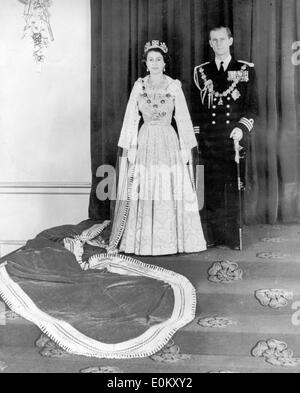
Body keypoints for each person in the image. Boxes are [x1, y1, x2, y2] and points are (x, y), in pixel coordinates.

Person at [109, 40, 206, 255]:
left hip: (168, 140)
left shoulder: (173, 86)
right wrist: (131, 146)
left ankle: (173, 242)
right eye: (150, 60)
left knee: (169, 186)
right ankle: (142, 242)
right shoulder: (139, 86)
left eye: (158, 59)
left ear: (164, 63)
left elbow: (182, 117)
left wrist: (185, 147)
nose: (154, 63)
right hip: (144, 140)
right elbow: (131, 118)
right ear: (146, 63)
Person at [192, 26, 258, 250]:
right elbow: (197, 110)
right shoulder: (201, 72)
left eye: (222, 39)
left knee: (232, 188)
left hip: (233, 139)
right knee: (210, 188)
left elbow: (252, 107)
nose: (218, 44)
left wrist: (242, 128)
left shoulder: (244, 69)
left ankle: (231, 236)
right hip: (210, 140)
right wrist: (198, 138)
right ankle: (212, 236)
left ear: (230, 40)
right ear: (210, 44)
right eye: (214, 40)